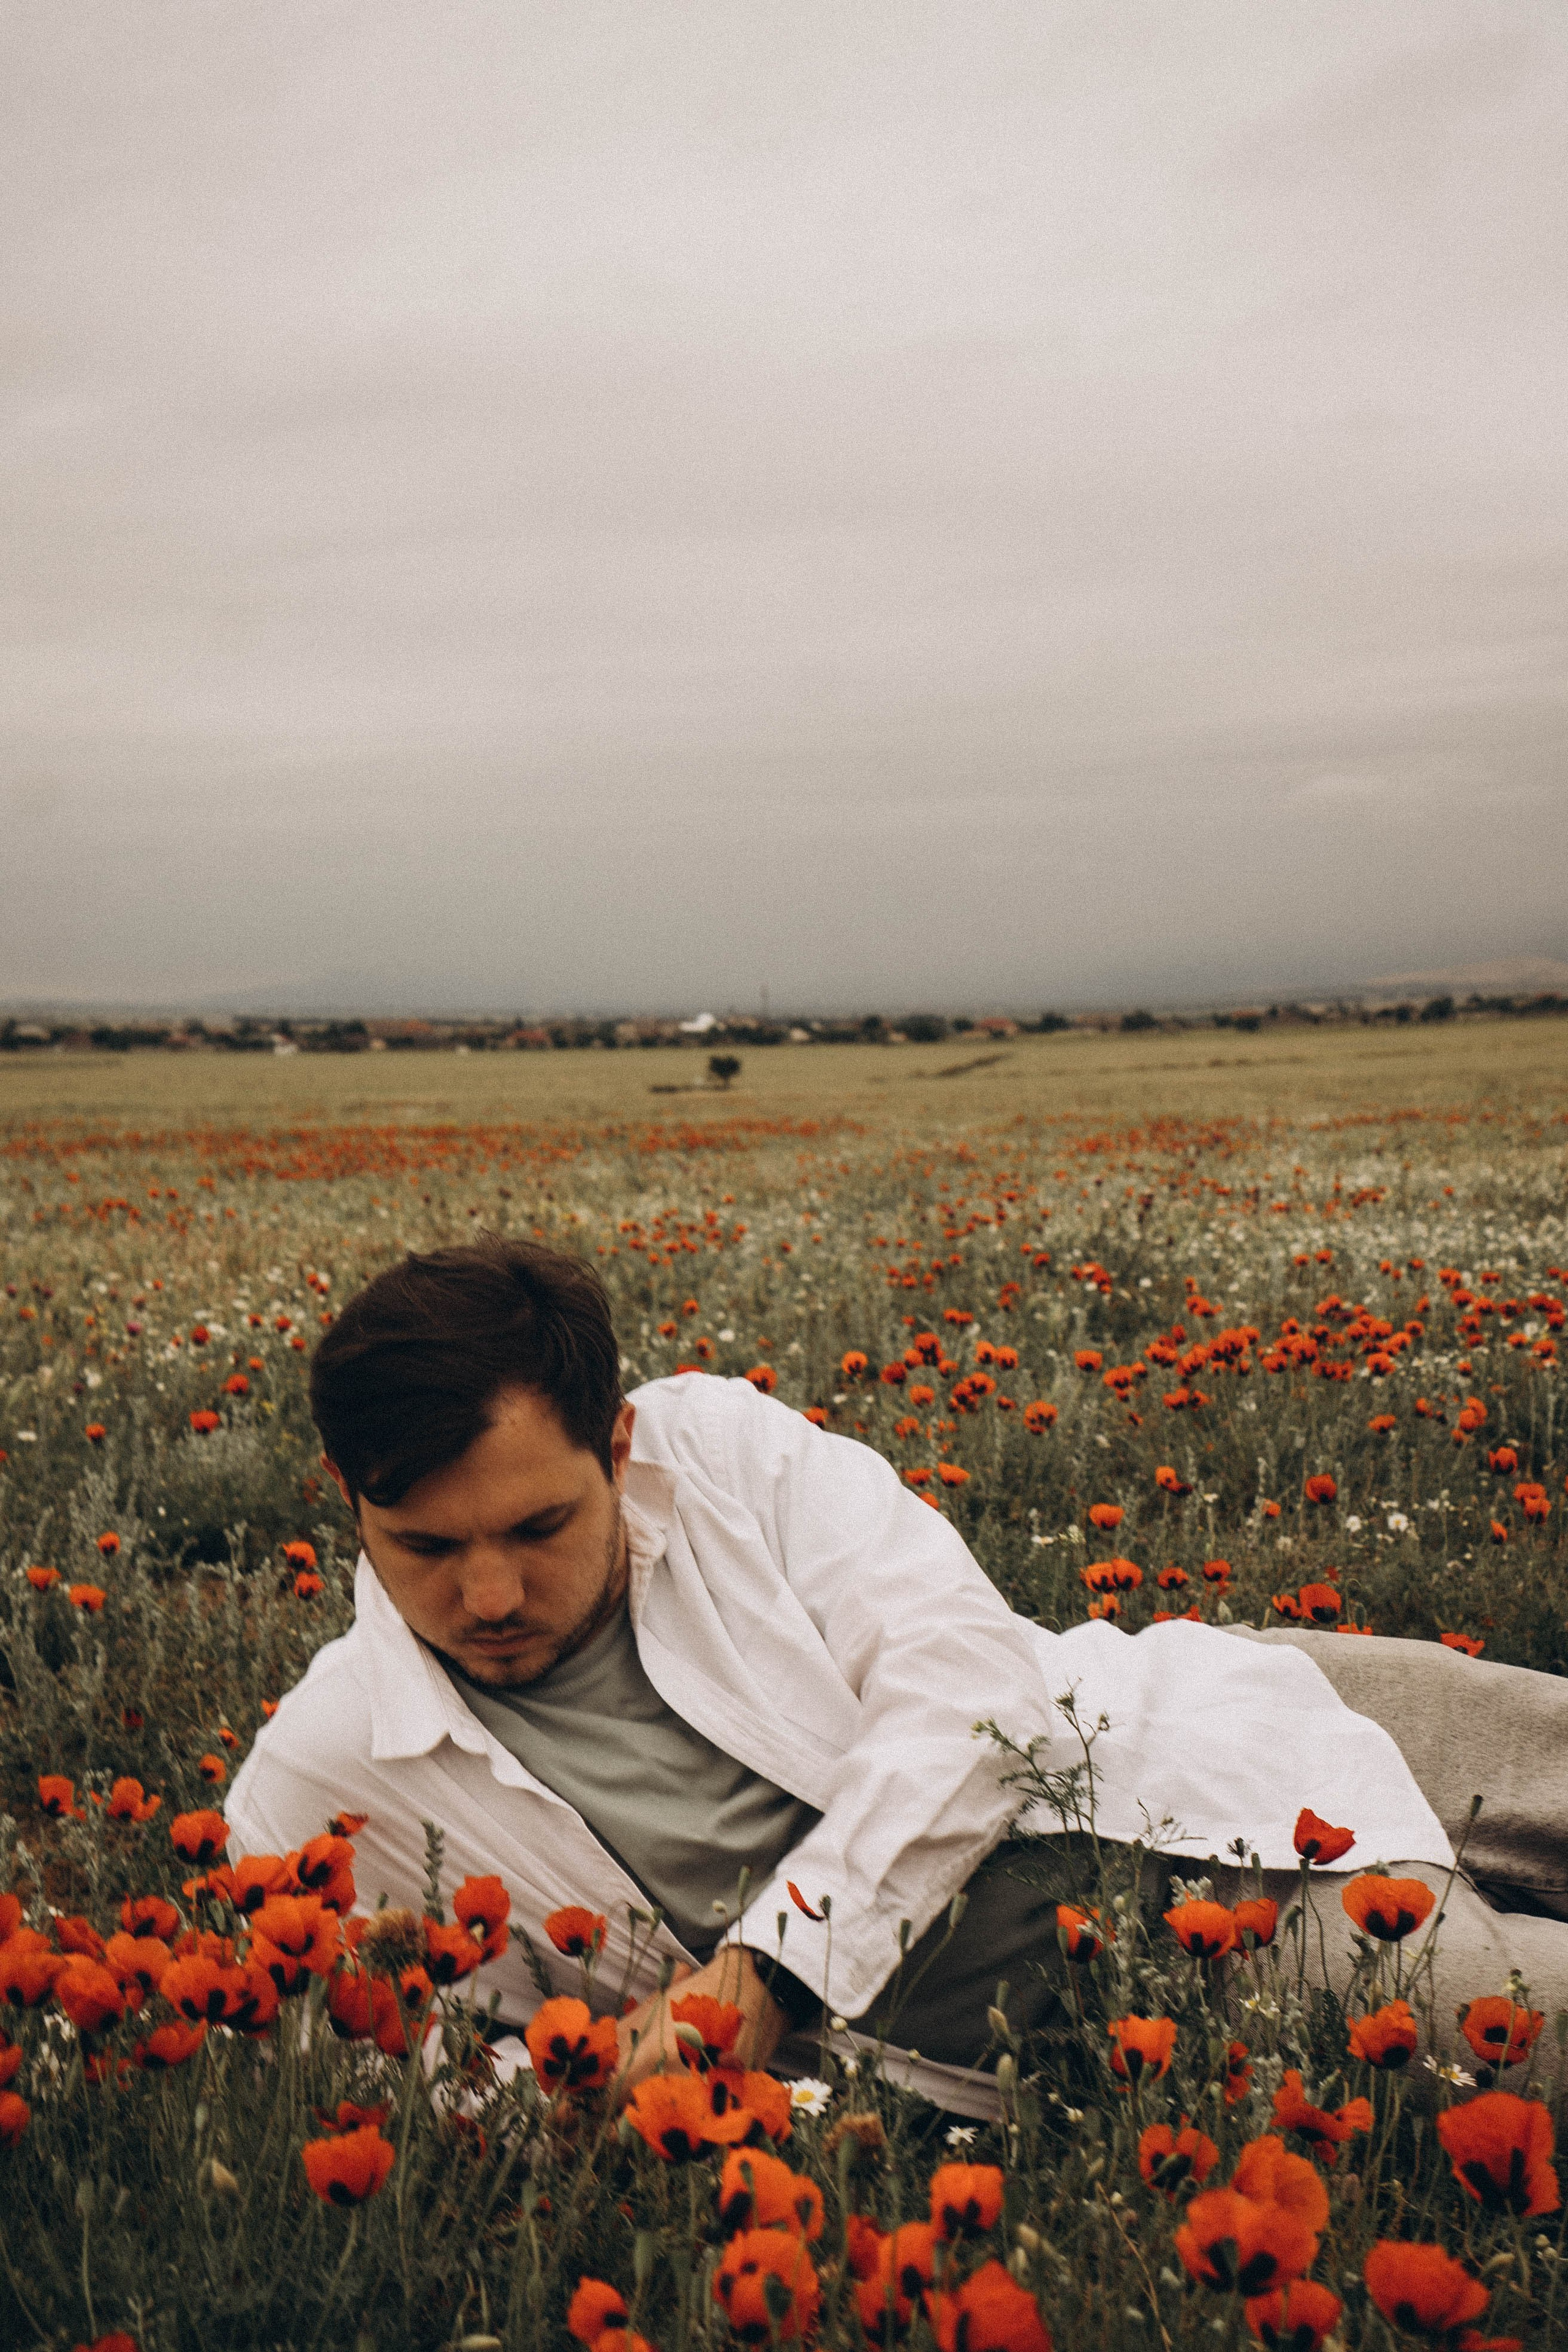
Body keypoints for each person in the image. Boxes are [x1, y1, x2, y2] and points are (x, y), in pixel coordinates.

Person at [227, 1238, 1568, 2116]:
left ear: (616, 1447)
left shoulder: (717, 1456)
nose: (490, 1598)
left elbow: (969, 1683)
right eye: (424, 1547)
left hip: (1191, 1724)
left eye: (536, 1529)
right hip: (1170, 1967)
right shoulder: (319, 1786)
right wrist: (607, 2089)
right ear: (347, 1498)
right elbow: (397, 2085)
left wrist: (771, 1970)